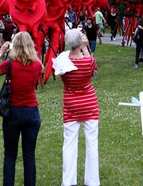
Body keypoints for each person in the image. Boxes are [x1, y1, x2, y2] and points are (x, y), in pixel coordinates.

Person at [0, 31, 43, 186]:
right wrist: (33, 53)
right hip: (31, 111)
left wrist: (0, 53)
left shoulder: (10, 64)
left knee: (10, 154)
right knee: (29, 155)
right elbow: (42, 68)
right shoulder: (36, 65)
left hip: (13, 111)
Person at [58, 28, 99, 186]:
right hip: (89, 103)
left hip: (71, 104)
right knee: (92, 142)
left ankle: (68, 181)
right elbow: (93, 70)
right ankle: (92, 181)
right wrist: (85, 47)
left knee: (69, 143)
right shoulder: (88, 61)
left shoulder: (62, 61)